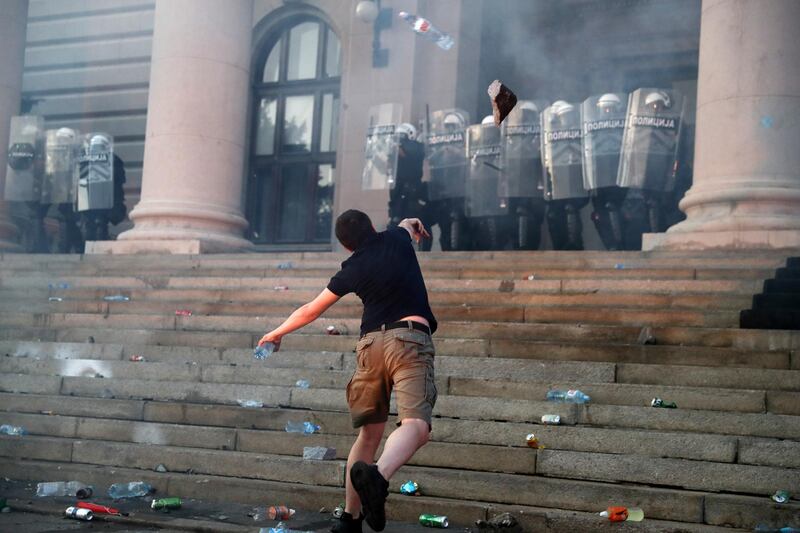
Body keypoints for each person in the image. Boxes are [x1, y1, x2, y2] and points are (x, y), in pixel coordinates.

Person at [258, 209, 438, 533]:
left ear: (346, 247)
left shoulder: (352, 267)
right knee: (417, 426)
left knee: (369, 434)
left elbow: (311, 309)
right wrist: (413, 223)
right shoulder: (396, 239)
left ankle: (349, 519)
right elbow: (404, 226)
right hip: (409, 339)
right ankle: (378, 477)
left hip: (370, 345)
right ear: (372, 226)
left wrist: (277, 332)